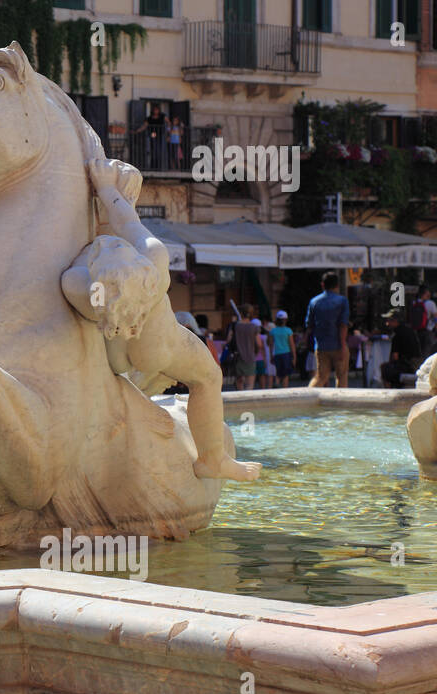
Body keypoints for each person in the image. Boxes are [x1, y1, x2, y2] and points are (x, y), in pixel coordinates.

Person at [61, 158, 261, 481]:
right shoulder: (154, 260)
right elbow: (128, 223)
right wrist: (108, 190)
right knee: (208, 377)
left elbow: (97, 261)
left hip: (114, 358)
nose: (110, 240)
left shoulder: (76, 285)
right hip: (158, 345)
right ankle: (212, 459)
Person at [305, 271, 350, 388]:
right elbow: (343, 325)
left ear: (322, 285)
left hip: (321, 346)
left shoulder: (314, 302)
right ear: (337, 285)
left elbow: (309, 325)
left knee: (321, 377)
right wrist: (343, 346)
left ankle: (307, 397)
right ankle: (340, 403)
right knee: (341, 377)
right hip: (338, 344)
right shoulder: (342, 301)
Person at [381, 309, 423, 387]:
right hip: (416, 364)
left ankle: (387, 391)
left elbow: (395, 356)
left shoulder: (397, 334)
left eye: (389, 321)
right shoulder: (409, 330)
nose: (387, 324)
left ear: (395, 321)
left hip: (406, 366)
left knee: (384, 368)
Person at [232, 306, 260, 391]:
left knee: (239, 381)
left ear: (240, 313)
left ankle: (239, 400)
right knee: (249, 384)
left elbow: (229, 339)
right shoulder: (254, 327)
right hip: (250, 357)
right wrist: (256, 352)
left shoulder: (236, 326)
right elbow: (259, 344)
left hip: (238, 357)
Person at [269, 310, 295, 388]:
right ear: (286, 320)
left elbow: (270, 345)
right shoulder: (288, 330)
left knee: (278, 372)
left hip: (277, 354)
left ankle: (276, 383)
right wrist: (294, 356)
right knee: (286, 374)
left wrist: (271, 355)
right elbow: (292, 344)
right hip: (286, 354)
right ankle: (285, 389)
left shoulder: (272, 331)